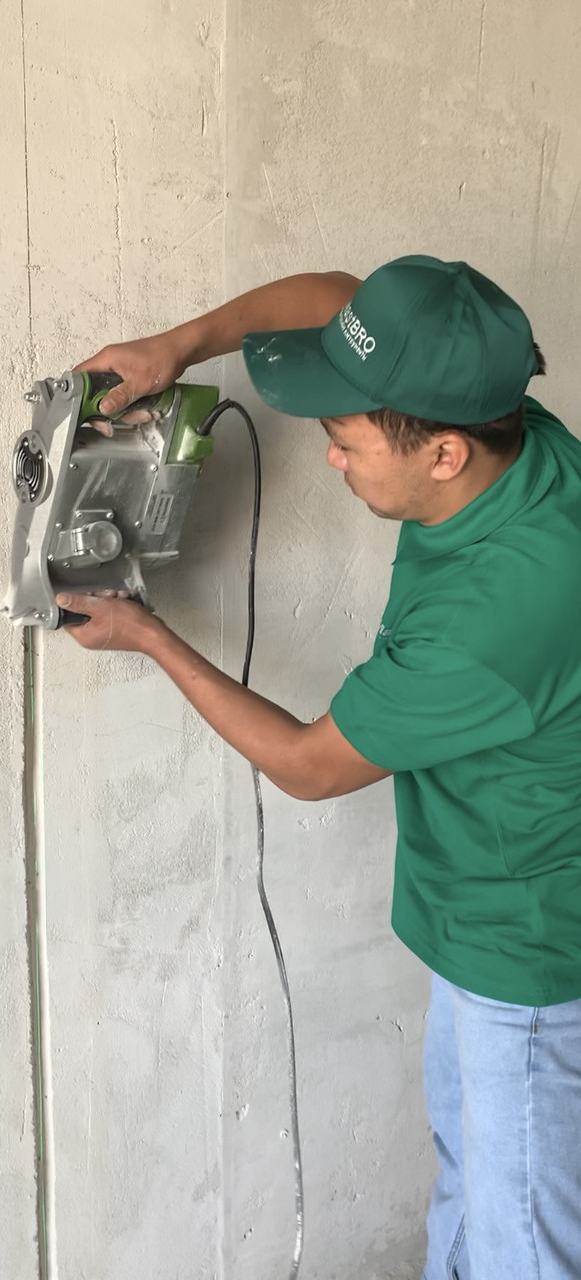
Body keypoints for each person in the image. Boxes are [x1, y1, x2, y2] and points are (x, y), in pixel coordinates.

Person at [57, 255, 581, 1280]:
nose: (332, 458)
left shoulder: (493, 618)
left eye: (345, 439)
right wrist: (176, 347)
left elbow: (307, 764)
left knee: (523, 1243)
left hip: (526, 946)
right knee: (473, 1187)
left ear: (442, 453)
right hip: (487, 907)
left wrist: (149, 636)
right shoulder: (502, 422)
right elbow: (333, 294)